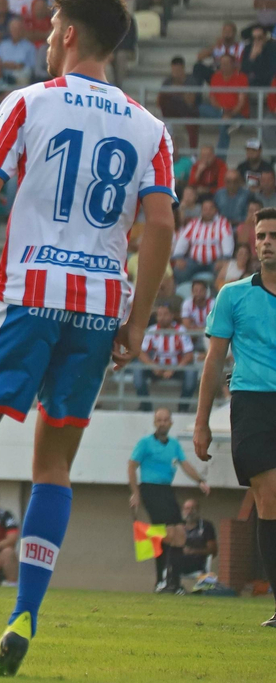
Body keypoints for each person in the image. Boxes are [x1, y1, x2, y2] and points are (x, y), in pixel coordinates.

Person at [0, 0, 176, 673]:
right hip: (96, 309)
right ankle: (25, 618)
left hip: (27, 295)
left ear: (68, 35)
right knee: (53, 467)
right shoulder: (150, 127)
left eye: (51, 25)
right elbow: (160, 225)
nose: (46, 35)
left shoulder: (29, 102)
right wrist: (137, 320)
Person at [195, 206, 276, 627]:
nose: (266, 243)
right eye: (261, 236)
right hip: (251, 402)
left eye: (273, 236)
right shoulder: (233, 294)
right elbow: (213, 361)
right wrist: (201, 421)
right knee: (269, 495)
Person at [129, 407, 212, 592]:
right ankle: (161, 581)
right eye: (159, 420)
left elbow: (185, 464)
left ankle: (173, 582)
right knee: (165, 534)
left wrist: (200, 481)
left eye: (165, 420)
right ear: (154, 422)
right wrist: (135, 492)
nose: (162, 423)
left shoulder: (174, 445)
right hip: (150, 490)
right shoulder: (145, 443)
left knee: (180, 534)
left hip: (166, 490)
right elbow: (131, 465)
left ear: (171, 423)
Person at [177, 498, 217, 582]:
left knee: (211, 578)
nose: (189, 511)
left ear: (198, 510)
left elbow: (213, 550)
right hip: (179, 562)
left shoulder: (206, 526)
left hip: (198, 563)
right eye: (187, 508)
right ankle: (172, 588)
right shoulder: (178, 526)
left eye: (192, 508)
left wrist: (192, 551)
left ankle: (203, 589)